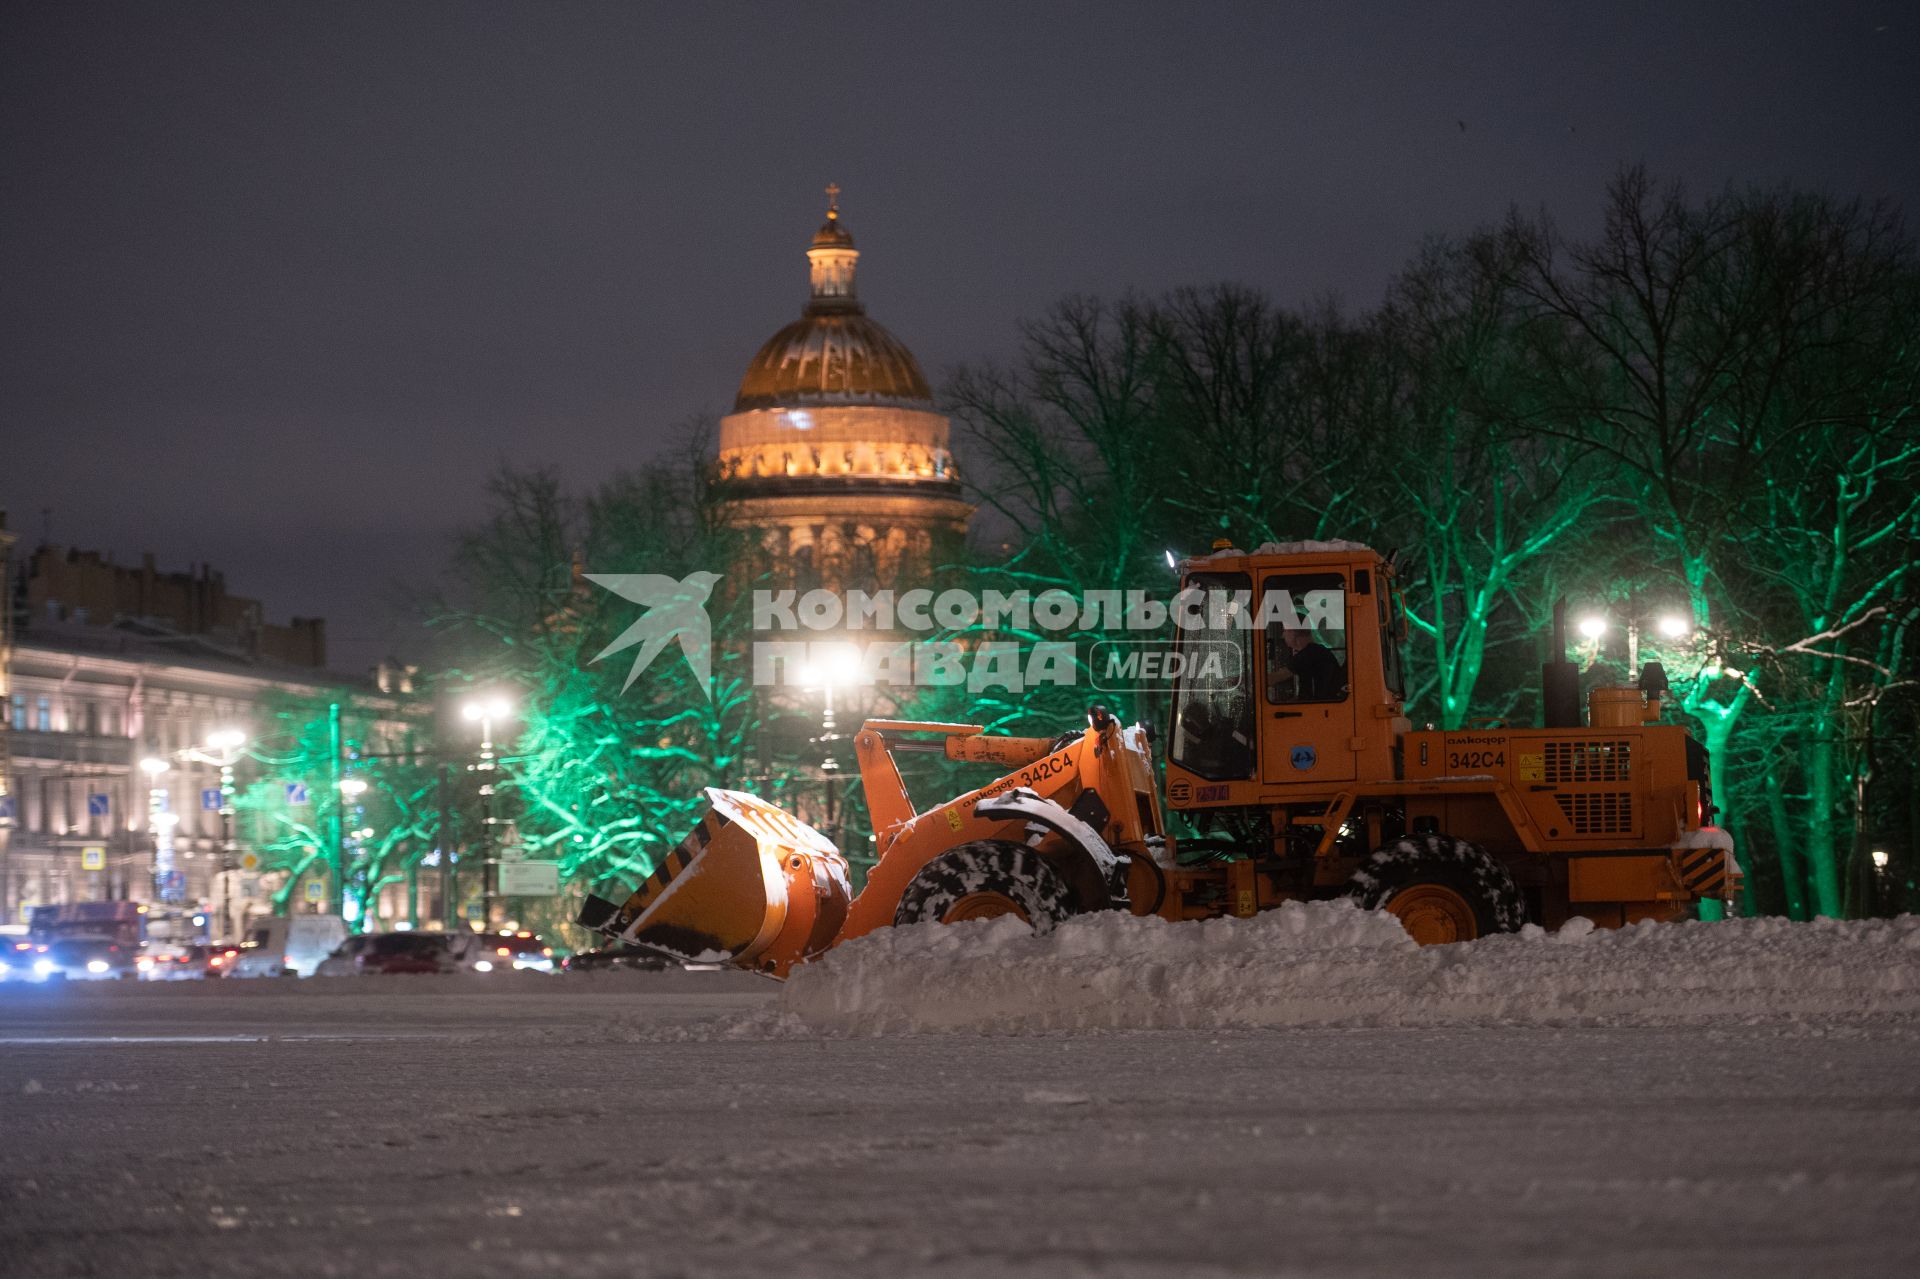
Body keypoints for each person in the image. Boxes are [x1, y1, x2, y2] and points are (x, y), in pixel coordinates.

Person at [1271, 626, 1344, 700]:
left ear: (1293, 632)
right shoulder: (1318, 651)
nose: (1283, 635)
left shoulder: (1308, 655)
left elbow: (1276, 678)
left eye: (1285, 630)